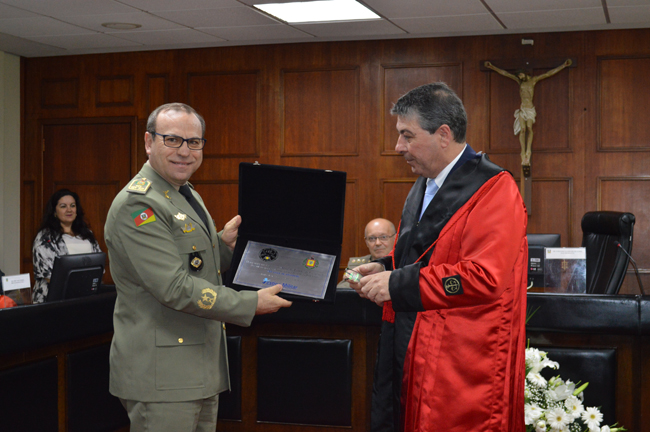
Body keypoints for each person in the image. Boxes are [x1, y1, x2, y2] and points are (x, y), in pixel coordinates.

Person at [348, 83, 528, 431]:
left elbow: (485, 277)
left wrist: (396, 283)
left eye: (407, 135)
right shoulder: (425, 185)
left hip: (461, 365)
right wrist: (383, 268)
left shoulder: (494, 189)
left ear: (443, 134)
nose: (398, 147)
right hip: (413, 344)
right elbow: (424, 255)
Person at [104, 103, 292, 432]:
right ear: (148, 142)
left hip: (197, 369)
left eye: (194, 142)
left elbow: (194, 266)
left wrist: (222, 246)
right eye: (172, 140)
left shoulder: (184, 193)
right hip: (162, 375)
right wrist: (249, 303)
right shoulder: (139, 204)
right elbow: (173, 287)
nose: (184, 152)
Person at [484, 59, 572, 166]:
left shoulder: (533, 80)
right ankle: (522, 152)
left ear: (525, 73)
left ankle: (528, 151)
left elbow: (548, 74)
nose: (520, 77)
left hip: (530, 110)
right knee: (523, 129)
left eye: (521, 75)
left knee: (529, 128)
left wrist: (563, 66)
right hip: (522, 109)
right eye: (519, 76)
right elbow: (506, 74)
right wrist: (492, 67)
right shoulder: (519, 81)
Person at [32, 189, 102, 304]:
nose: (69, 210)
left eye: (72, 206)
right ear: (54, 211)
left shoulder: (87, 234)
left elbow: (99, 265)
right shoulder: (45, 237)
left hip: (86, 296)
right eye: (63, 206)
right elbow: (50, 275)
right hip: (54, 301)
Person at [337, 218, 396, 288]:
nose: (377, 243)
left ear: (396, 238)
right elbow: (343, 289)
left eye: (383, 237)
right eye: (372, 238)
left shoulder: (403, 265)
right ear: (366, 242)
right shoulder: (359, 265)